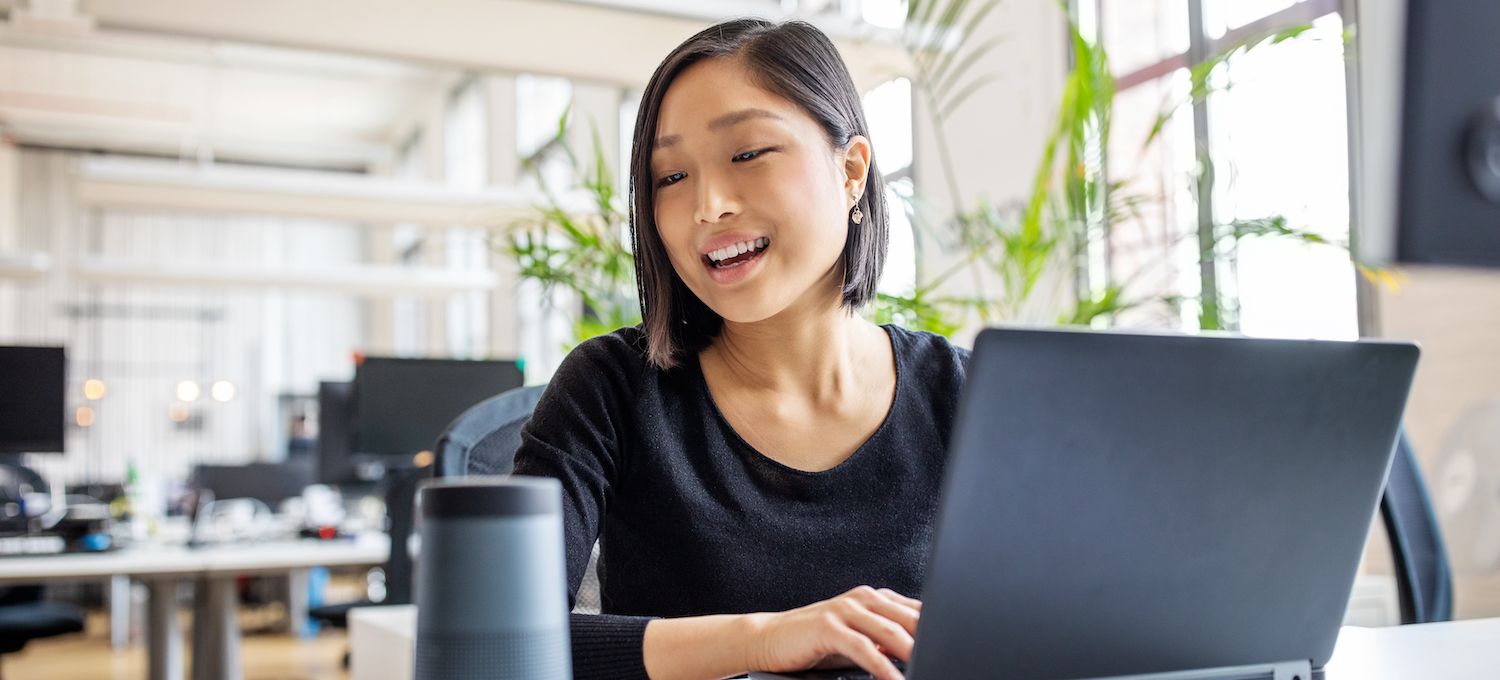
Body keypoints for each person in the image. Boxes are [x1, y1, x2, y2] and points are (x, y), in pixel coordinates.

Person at [512, 18, 969, 680]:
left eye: (748, 154)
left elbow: (1064, 616)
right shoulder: (610, 389)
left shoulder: (960, 392)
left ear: (851, 171)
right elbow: (499, 640)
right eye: (670, 177)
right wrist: (764, 639)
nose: (709, 206)